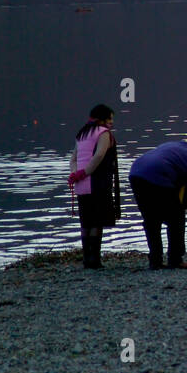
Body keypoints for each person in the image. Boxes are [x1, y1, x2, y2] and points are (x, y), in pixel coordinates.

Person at [129, 131, 187, 270]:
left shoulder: (173, 145)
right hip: (158, 177)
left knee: (151, 220)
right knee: (176, 219)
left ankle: (155, 261)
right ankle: (175, 259)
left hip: (136, 174)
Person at [67, 104, 121, 269]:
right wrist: (85, 173)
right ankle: (94, 260)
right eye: (110, 119)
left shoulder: (81, 134)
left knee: (86, 222)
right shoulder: (103, 133)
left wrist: (76, 174)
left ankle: (86, 259)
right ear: (102, 119)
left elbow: (73, 159)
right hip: (97, 183)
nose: (112, 123)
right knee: (97, 221)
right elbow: (99, 155)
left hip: (81, 186)